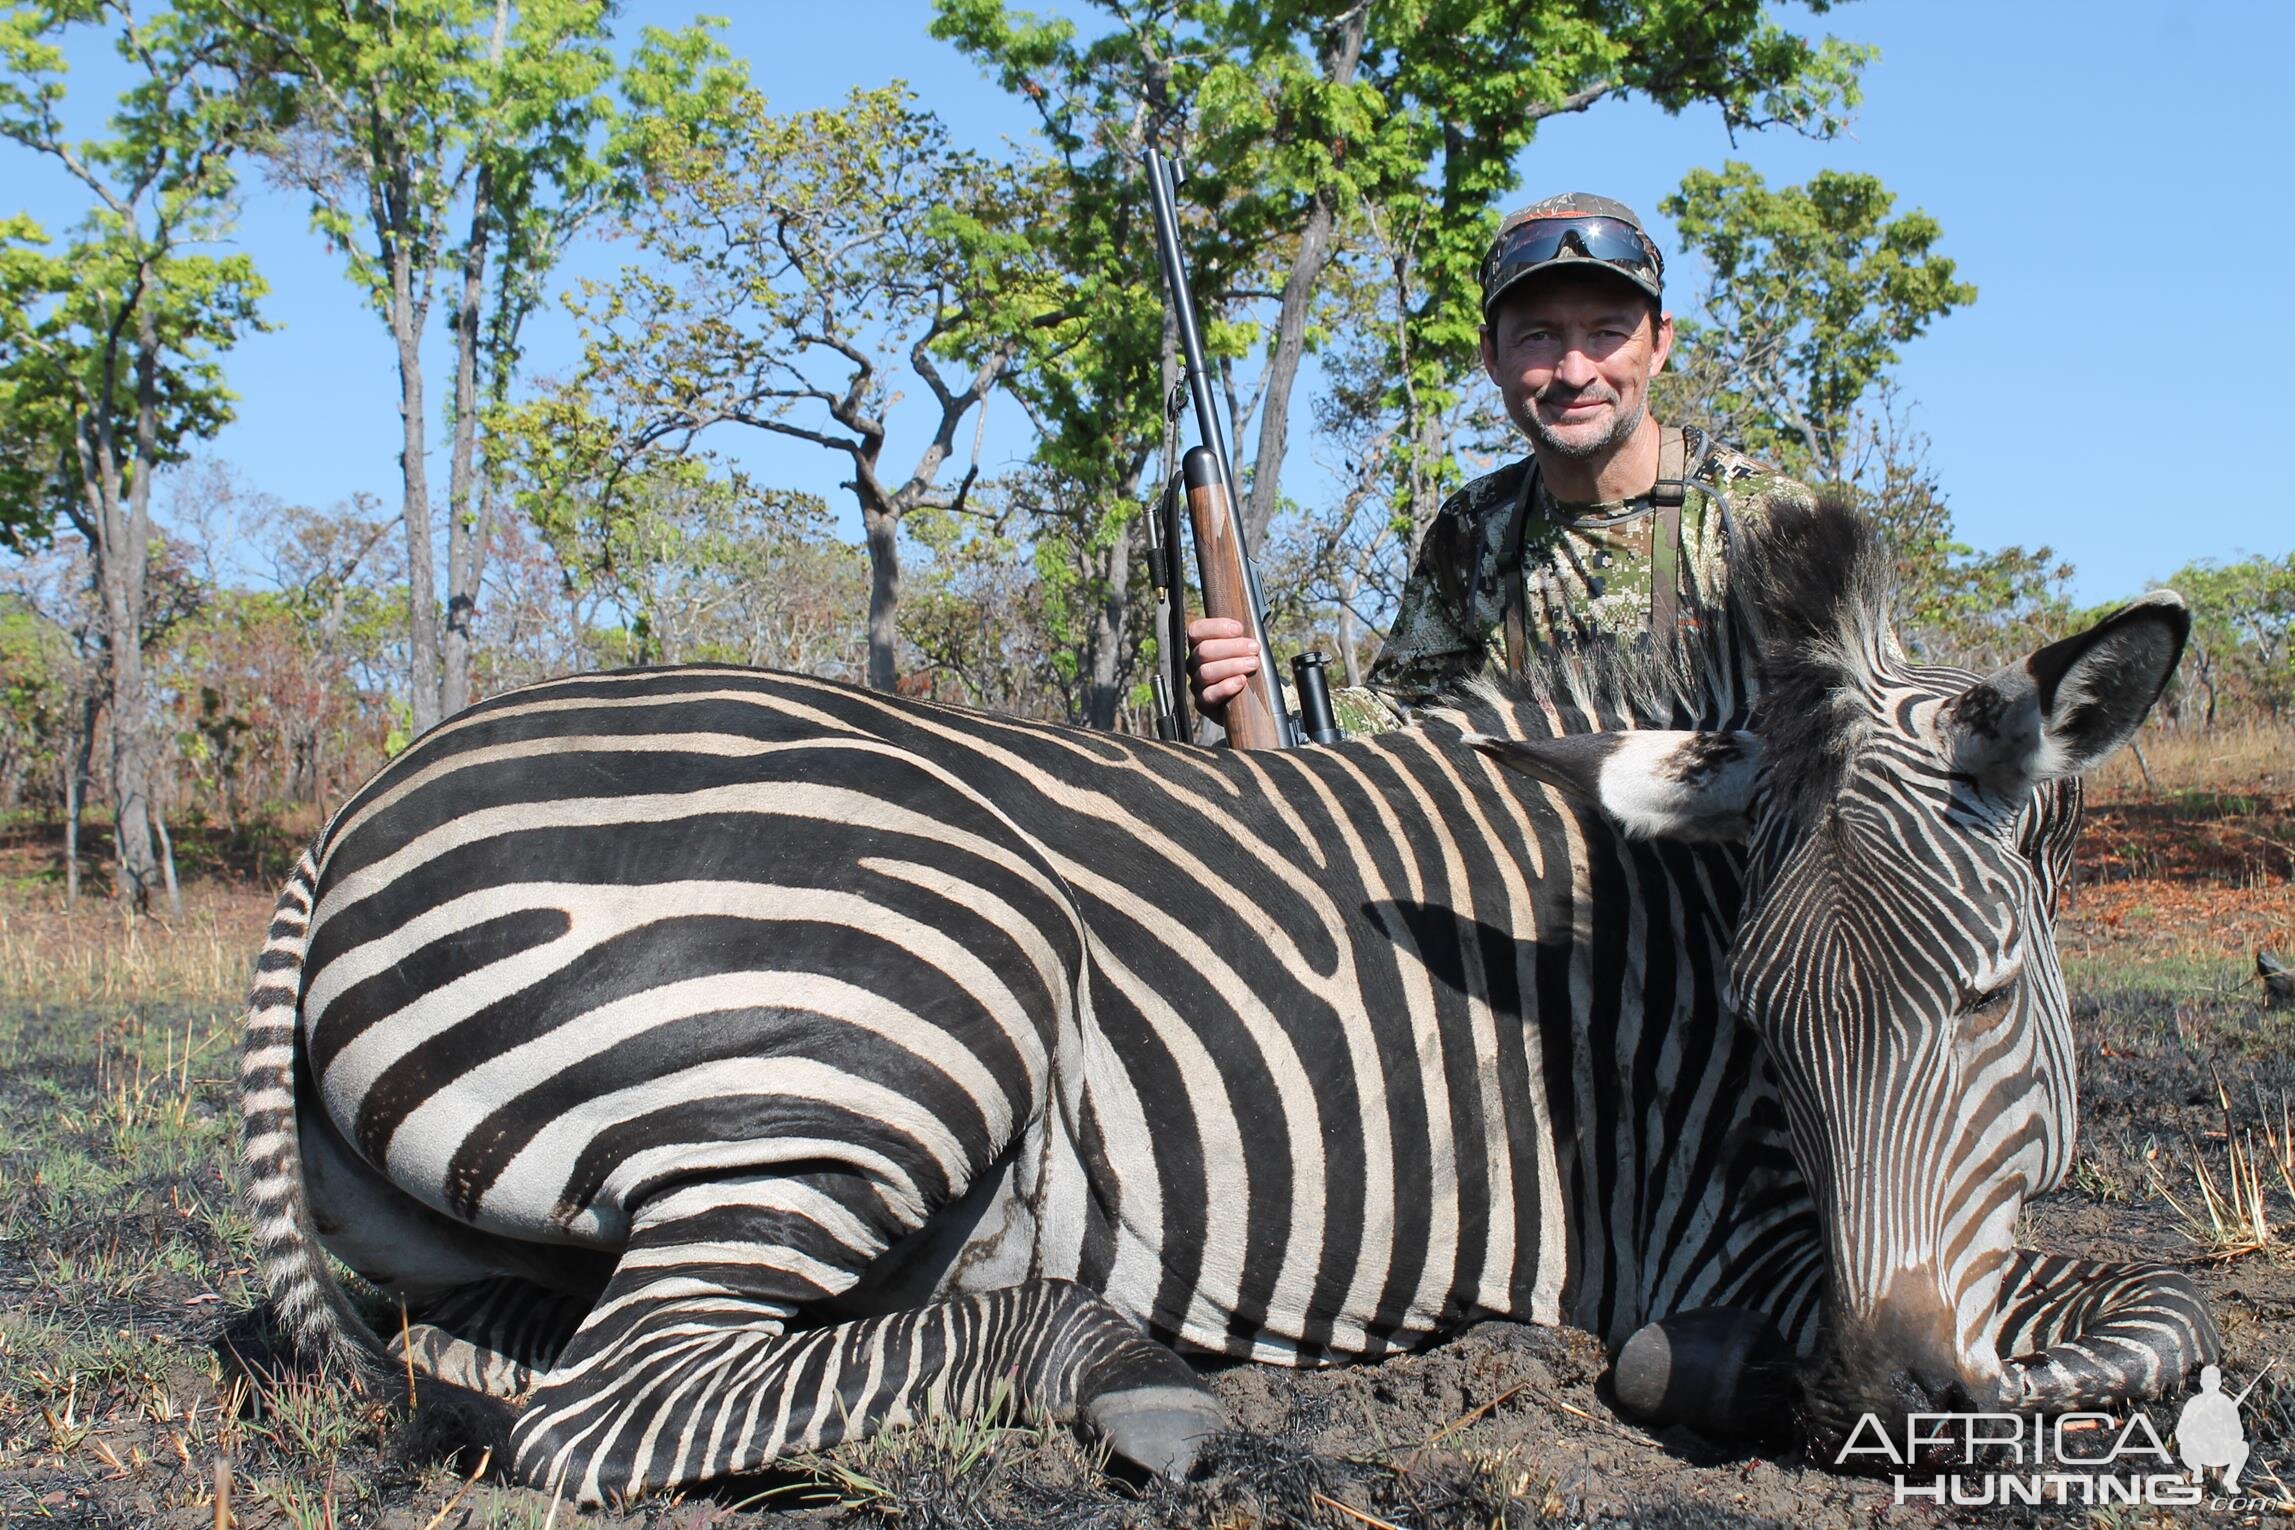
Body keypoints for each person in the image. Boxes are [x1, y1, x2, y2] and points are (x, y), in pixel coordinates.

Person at [1185, 192, 1817, 734]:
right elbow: (1404, 710)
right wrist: (1262, 694)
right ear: (1491, 355)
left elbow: (1870, 740)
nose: (1574, 371)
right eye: (1538, 336)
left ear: (1659, 343)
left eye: (1606, 333)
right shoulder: (1474, 528)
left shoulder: (1768, 523)